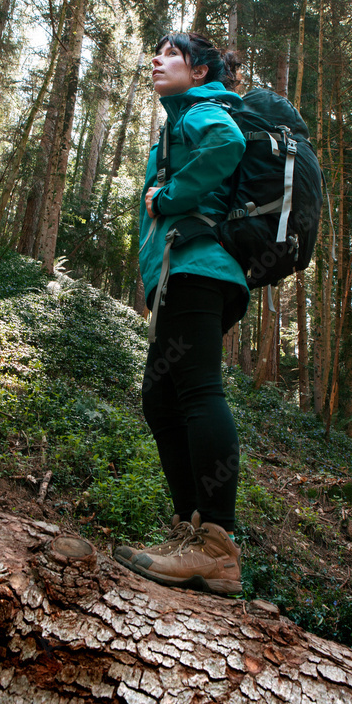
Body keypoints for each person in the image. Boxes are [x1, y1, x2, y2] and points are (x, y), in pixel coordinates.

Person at [114, 31, 249, 596]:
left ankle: (216, 546)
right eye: (158, 51)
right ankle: (192, 532)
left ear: (199, 72)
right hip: (184, 274)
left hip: (198, 269)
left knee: (195, 392)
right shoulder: (182, 116)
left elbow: (226, 144)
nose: (156, 59)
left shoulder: (201, 109)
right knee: (160, 399)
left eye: (172, 54)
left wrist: (169, 198)